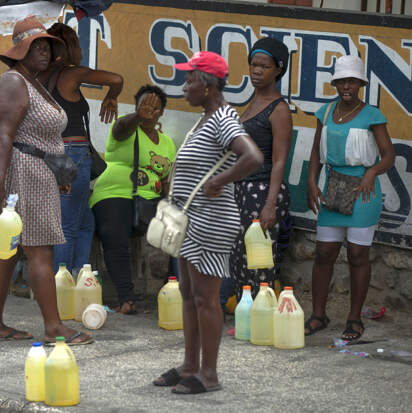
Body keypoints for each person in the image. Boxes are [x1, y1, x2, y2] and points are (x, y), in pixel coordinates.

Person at [152, 51, 262, 394]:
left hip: (212, 221)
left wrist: (220, 181)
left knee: (205, 298)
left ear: (208, 85)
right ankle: (189, 365)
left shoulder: (222, 119)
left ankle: (209, 374)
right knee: (188, 294)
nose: (185, 87)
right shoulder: (206, 118)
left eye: (190, 80)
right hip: (191, 220)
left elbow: (253, 157)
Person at [0, 16, 92, 345]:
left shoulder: (33, 82)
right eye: (36, 46)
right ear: (20, 51)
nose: (44, 51)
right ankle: (54, 327)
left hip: (35, 171)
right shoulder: (15, 82)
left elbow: (39, 137)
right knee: (40, 252)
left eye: (47, 46)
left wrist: (58, 173)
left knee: (8, 251)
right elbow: (5, 137)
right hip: (19, 172)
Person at [305, 55, 394, 341]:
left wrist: (372, 172)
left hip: (363, 190)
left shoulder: (372, 115)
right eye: (341, 81)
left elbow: (389, 156)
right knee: (324, 253)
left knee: (358, 255)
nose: (346, 86)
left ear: (360, 84)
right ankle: (318, 315)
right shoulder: (326, 112)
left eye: (352, 81)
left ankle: (354, 319)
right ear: (335, 83)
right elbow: (316, 152)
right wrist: (311, 182)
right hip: (333, 187)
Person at [40, 22, 123, 275]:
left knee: (85, 222)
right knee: (69, 225)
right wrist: (112, 95)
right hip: (73, 154)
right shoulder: (72, 73)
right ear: (67, 49)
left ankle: (77, 276)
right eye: (76, 44)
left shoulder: (42, 77)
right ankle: (60, 284)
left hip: (52, 152)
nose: (80, 50)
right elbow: (117, 79)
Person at [89, 85, 176, 315]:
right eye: (145, 105)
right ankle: (127, 299)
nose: (150, 110)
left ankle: (178, 292)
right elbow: (120, 128)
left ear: (162, 113)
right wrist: (137, 117)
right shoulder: (126, 127)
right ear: (136, 107)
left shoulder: (167, 143)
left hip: (150, 201)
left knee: (180, 232)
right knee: (115, 236)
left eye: (156, 107)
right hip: (115, 193)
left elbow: (166, 178)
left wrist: (171, 206)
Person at [229, 37, 293, 301]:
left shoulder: (279, 110)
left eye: (264, 66)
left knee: (259, 260)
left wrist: (270, 205)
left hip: (263, 191)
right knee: (239, 257)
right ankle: (247, 311)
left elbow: (279, 160)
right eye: (253, 64)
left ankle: (261, 313)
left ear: (278, 69)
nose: (256, 70)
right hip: (243, 190)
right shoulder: (250, 105)